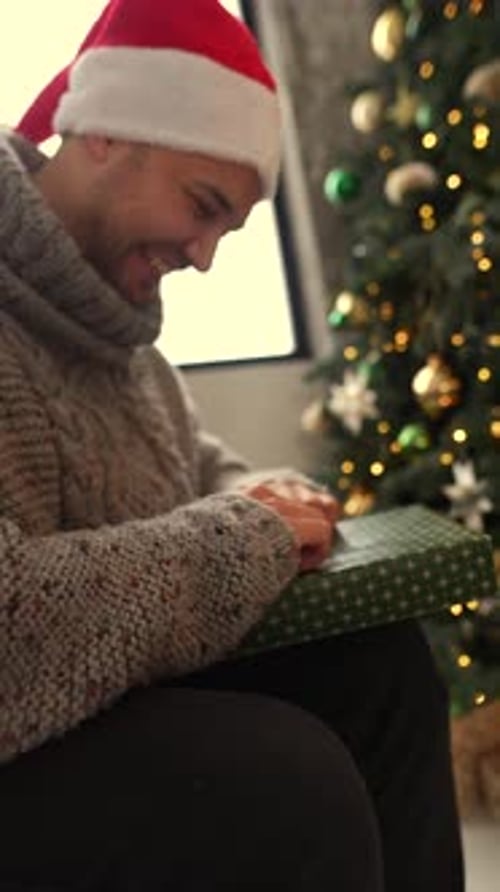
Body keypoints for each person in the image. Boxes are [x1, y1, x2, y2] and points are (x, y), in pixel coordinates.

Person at [0, 0, 463, 889]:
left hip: (94, 697)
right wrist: (244, 538)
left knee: (383, 669)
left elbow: (193, 470)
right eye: (202, 205)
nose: (205, 257)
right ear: (104, 133)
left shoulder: (119, 334)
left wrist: (272, 494)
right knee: (283, 780)